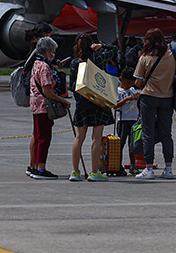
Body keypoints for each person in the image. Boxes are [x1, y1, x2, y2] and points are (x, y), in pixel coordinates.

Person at [134, 28, 176, 179]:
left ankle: (149, 168)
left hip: (149, 97)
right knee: (166, 134)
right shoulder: (171, 55)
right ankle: (169, 168)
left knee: (148, 133)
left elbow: (138, 81)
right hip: (167, 97)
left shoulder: (145, 57)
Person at [70, 42, 115, 182]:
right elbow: (113, 49)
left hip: (82, 102)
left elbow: (72, 84)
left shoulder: (75, 62)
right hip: (98, 101)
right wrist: (101, 46)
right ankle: (94, 172)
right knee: (96, 137)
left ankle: (75, 171)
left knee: (79, 137)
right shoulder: (99, 58)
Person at [28, 37, 68, 179]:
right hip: (44, 105)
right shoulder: (44, 67)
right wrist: (62, 100)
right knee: (44, 138)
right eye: (52, 51)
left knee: (38, 136)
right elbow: (47, 91)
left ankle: (34, 166)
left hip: (35, 104)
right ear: (48, 52)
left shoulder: (36, 63)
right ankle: (41, 168)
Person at [114, 76, 141, 174]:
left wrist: (137, 96)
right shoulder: (118, 91)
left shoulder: (132, 90)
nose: (129, 85)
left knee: (133, 144)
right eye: (128, 82)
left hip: (133, 119)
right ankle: (118, 165)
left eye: (131, 83)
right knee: (121, 143)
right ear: (121, 79)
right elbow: (115, 105)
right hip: (123, 120)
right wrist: (126, 99)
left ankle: (133, 165)